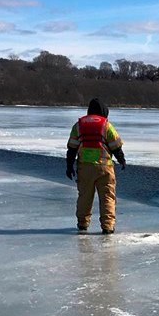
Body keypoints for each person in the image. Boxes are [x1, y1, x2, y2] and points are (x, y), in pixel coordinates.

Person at [66, 98, 126, 234]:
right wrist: (122, 160)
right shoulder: (106, 126)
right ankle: (108, 226)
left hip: (84, 168)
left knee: (84, 196)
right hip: (105, 168)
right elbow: (116, 146)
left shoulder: (78, 126)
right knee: (107, 197)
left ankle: (82, 223)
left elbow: (72, 149)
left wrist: (69, 166)